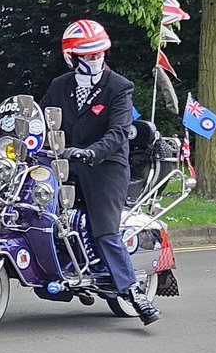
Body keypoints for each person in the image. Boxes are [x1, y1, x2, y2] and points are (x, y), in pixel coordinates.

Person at [40, 19, 161, 326]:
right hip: (65, 163)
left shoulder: (119, 87)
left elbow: (119, 132)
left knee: (104, 230)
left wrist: (92, 152)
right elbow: (39, 120)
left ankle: (133, 292)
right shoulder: (59, 86)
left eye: (99, 53)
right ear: (71, 57)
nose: (96, 58)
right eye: (88, 54)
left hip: (106, 167)